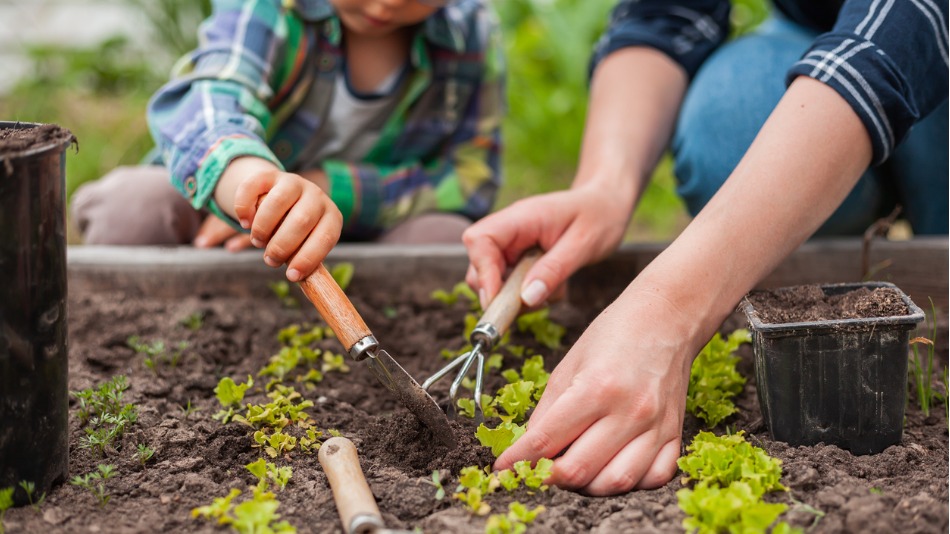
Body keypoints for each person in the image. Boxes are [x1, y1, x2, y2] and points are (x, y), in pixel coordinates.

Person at [463, 0, 948, 496]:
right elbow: (664, 15)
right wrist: (605, 186)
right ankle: (837, 190)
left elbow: (905, 26)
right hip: (816, 24)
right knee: (728, 125)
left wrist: (670, 309)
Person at [72, 0, 503, 283]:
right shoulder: (271, 8)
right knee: (130, 207)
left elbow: (470, 178)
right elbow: (213, 95)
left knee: (448, 237)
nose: (386, 4)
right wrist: (252, 183)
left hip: (363, 236)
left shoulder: (470, 33)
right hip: (219, 204)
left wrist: (329, 188)